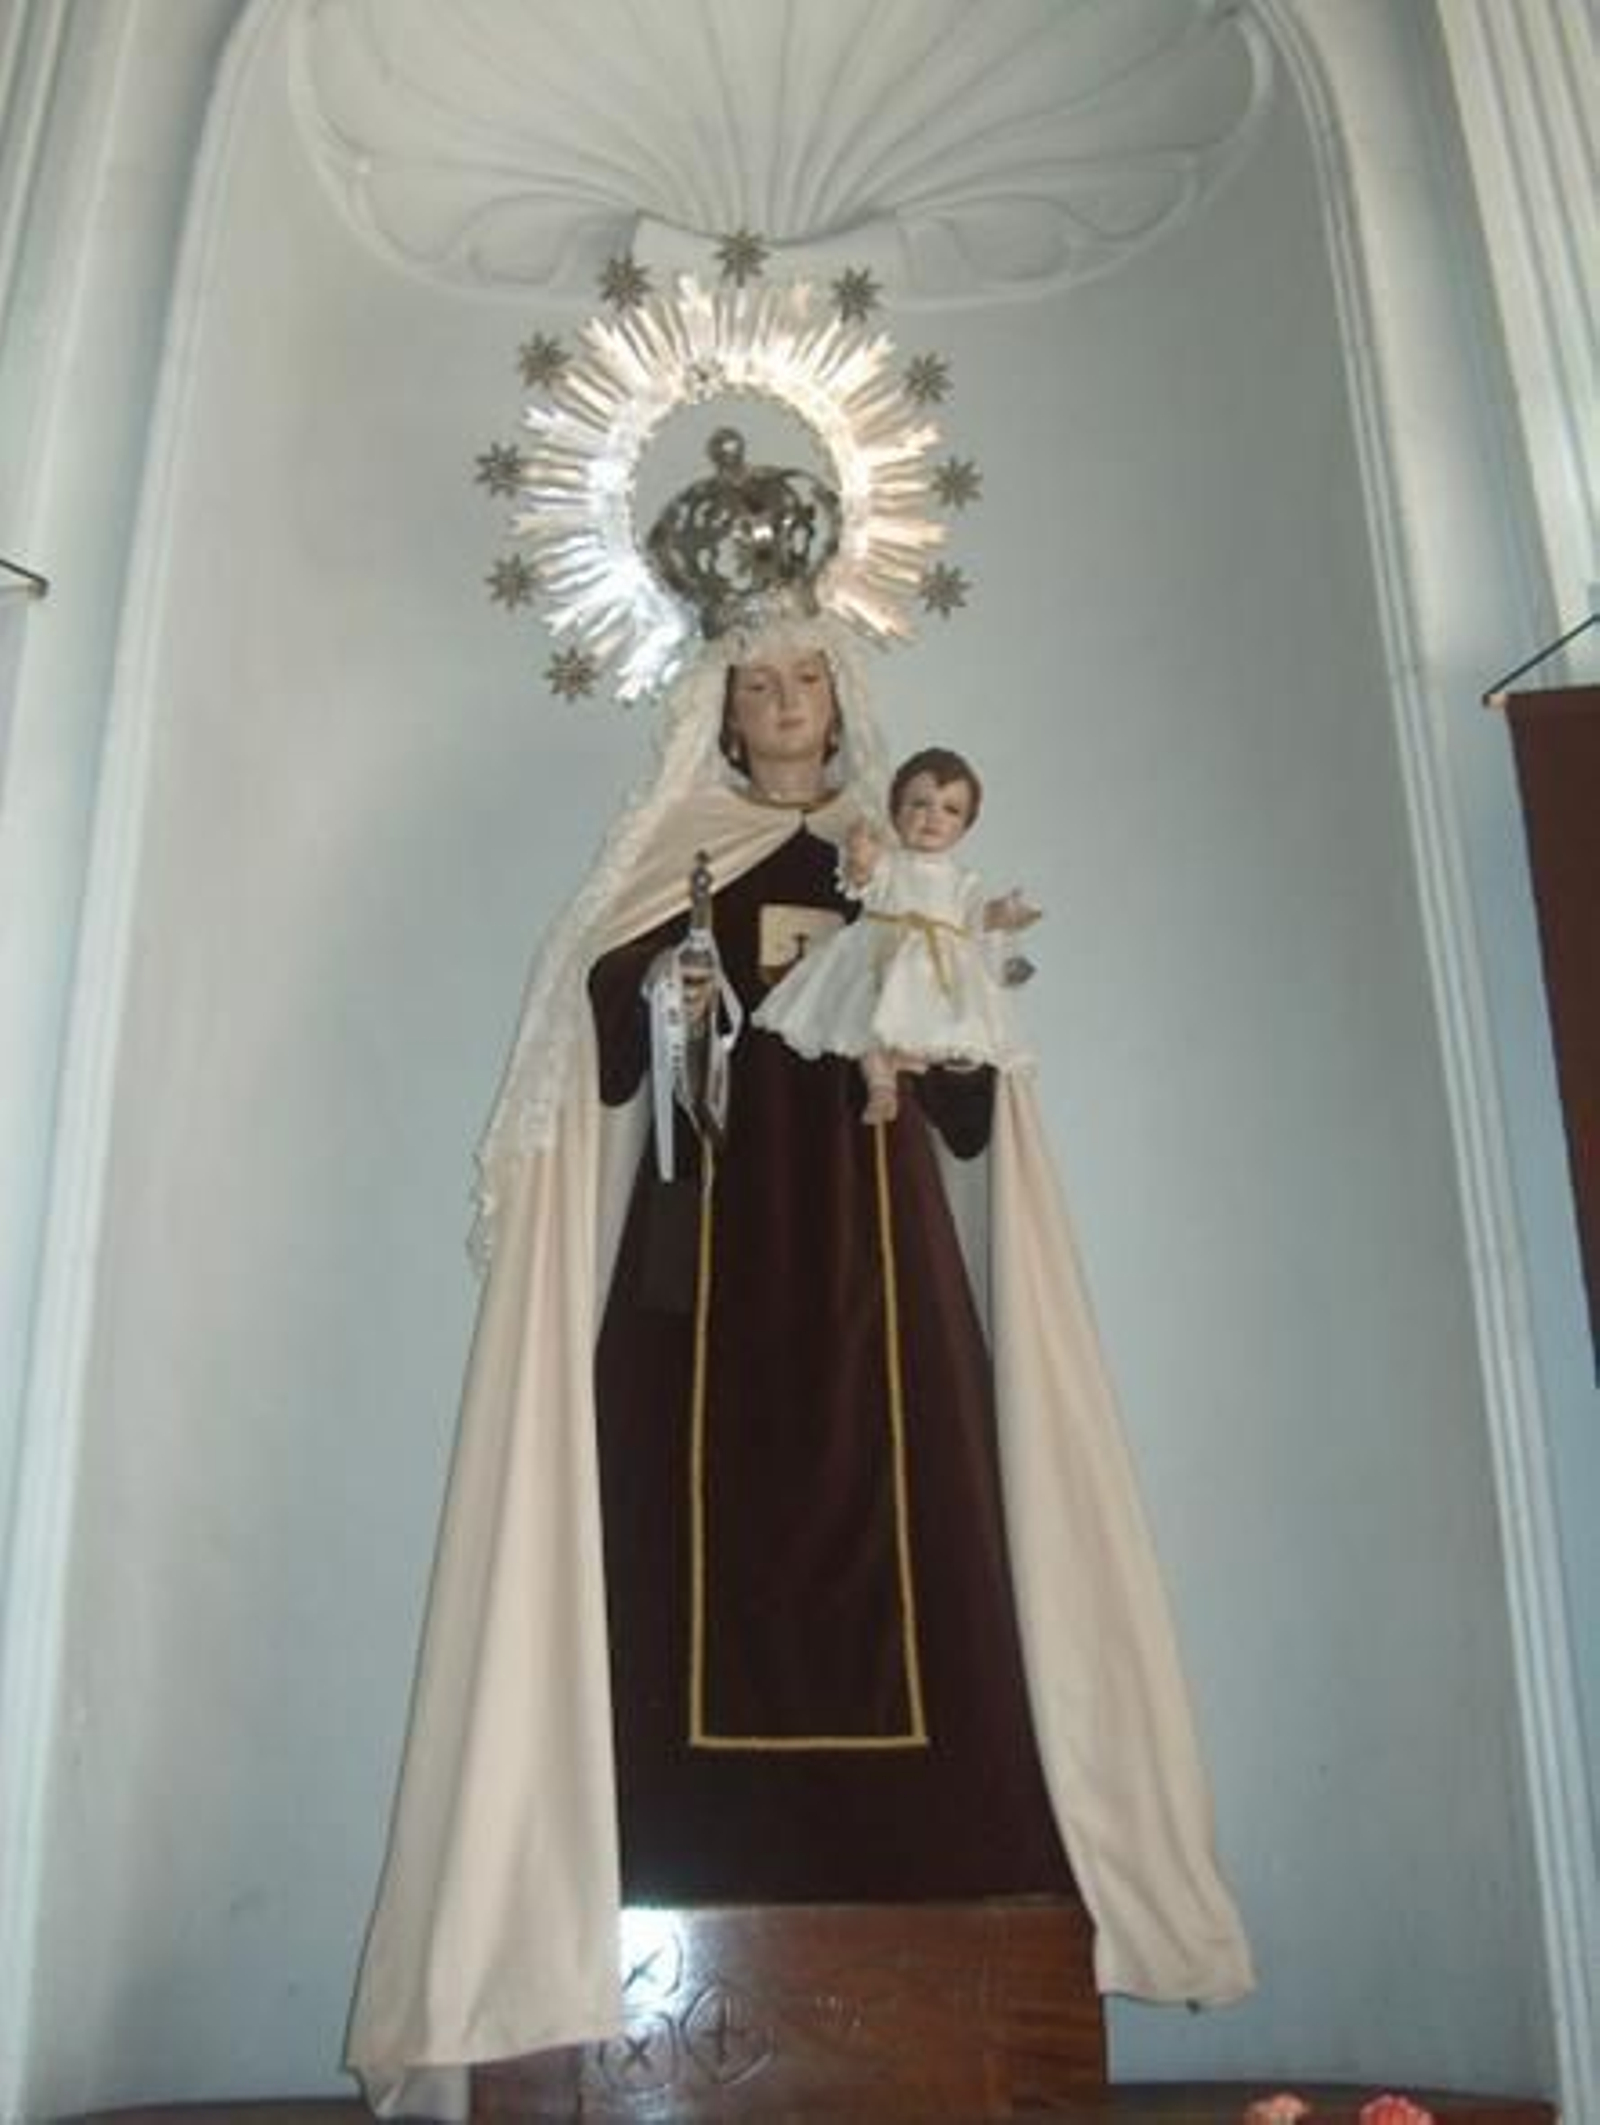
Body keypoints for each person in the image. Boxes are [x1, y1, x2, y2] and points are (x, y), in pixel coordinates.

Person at [345, 618, 1253, 2121]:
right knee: (673, 1541)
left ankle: (949, 1848)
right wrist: (670, 989)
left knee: (924, 1527)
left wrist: (944, 1016)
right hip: (698, 1264)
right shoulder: (672, 853)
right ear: (717, 704)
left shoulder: (888, 858)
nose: (780, 703)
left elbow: (971, 1096)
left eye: (805, 678)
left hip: (875, 1260)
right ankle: (660, 1842)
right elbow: (607, 1043)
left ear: (845, 697)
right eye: (754, 681)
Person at [753, 743, 1039, 1122]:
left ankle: (913, 1061)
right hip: (880, 957)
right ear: (896, 812)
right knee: (866, 1023)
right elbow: (860, 883)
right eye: (919, 804)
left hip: (935, 973)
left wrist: (1003, 913)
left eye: (950, 810)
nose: (932, 817)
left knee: (946, 1026)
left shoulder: (962, 880)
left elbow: (974, 919)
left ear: (965, 825)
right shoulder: (890, 863)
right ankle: (881, 1086)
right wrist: (860, 857)